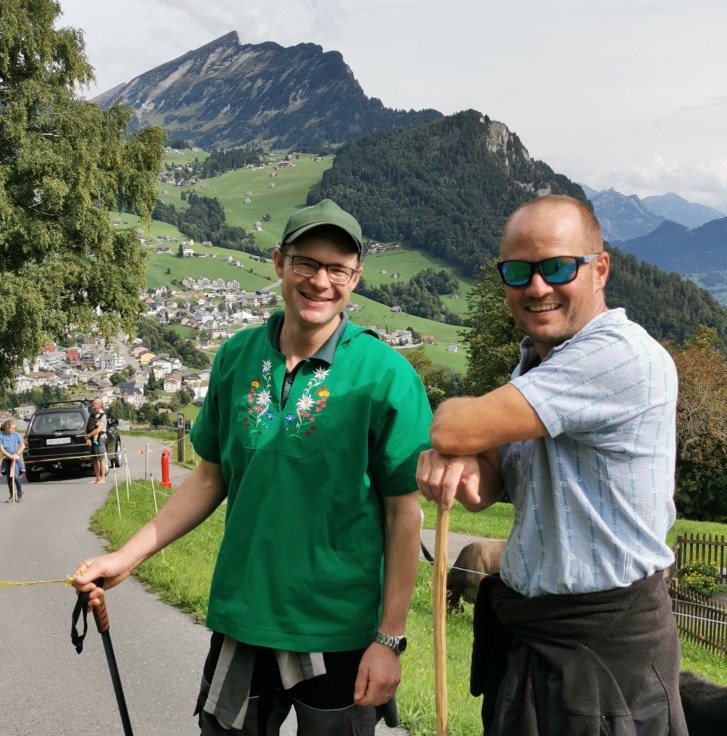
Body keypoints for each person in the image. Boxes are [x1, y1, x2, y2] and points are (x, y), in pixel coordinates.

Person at [73, 199, 432, 735]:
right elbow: (209, 477)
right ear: (279, 262)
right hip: (244, 618)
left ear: (355, 277)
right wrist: (125, 558)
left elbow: (404, 514)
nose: (320, 281)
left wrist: (389, 640)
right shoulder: (236, 357)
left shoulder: (387, 375)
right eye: (306, 262)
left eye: (338, 269)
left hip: (340, 630)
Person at [416, 195, 688, 735]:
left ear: (600, 269)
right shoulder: (539, 365)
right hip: (536, 637)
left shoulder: (616, 356)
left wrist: (451, 436)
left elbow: (451, 427)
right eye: (518, 271)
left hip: (604, 657)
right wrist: (460, 467)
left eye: (558, 267)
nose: (537, 287)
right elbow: (488, 486)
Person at [1, 418, 25, 502]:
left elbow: (23, 445)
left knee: (16, 477)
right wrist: (9, 456)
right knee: (9, 478)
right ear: (7, 427)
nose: (13, 430)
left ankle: (20, 493)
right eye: (12, 428)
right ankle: (12, 495)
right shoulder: (1, 435)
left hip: (15, 458)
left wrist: (16, 454)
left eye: (14, 428)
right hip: (7, 458)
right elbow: (1, 448)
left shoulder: (16, 434)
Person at [84, 397, 107, 484]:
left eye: (94, 403)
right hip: (91, 438)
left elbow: (98, 429)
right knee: (94, 459)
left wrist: (88, 435)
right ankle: (97, 478)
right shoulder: (91, 413)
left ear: (99, 405)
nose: (92, 405)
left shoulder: (103, 415)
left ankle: (103, 478)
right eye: (92, 403)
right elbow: (86, 425)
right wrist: (86, 436)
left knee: (101, 458)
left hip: (99, 438)